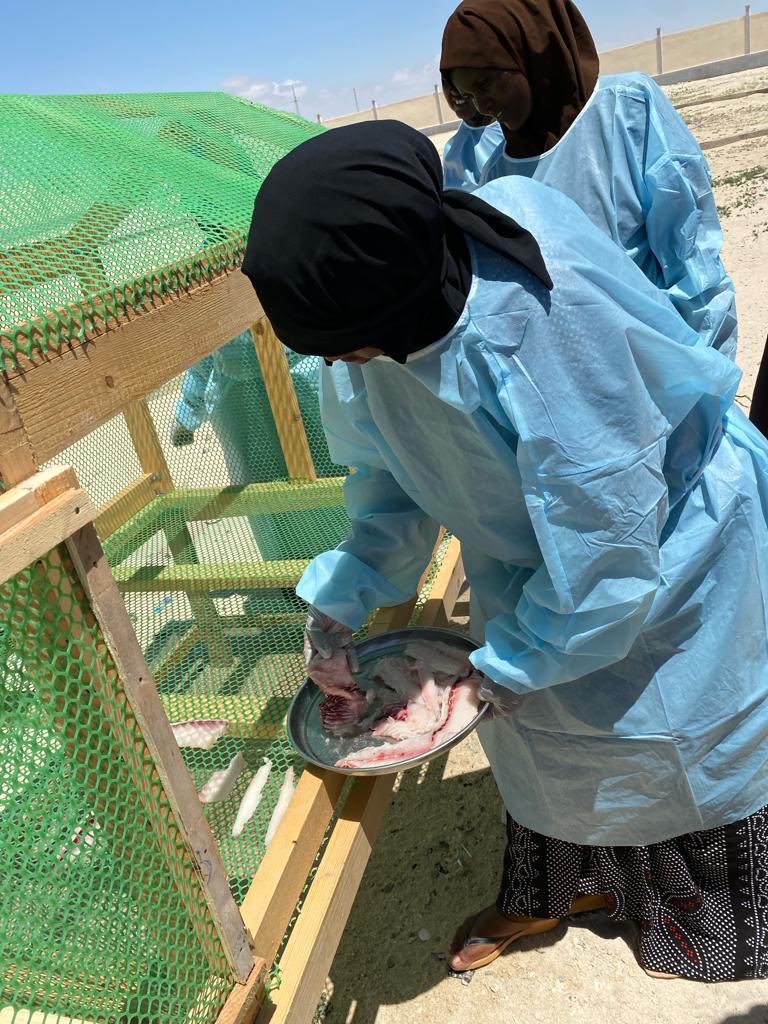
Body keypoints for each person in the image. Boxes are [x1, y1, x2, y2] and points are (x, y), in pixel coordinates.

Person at [242, 120, 768, 983]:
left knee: (674, 748)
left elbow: (609, 548)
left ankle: (694, 917)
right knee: (552, 752)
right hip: (547, 573)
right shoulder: (387, 306)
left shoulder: (535, 334)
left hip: (671, 556)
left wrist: (514, 663)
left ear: (392, 297)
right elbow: (388, 475)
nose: (338, 360)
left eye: (342, 342)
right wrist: (344, 594)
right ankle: (553, 894)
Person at [439, 0, 738, 361]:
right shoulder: (497, 175)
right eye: (470, 95)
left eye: (486, 84)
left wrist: (707, 369)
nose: (483, 106)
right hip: (592, 377)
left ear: (531, 52)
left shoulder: (626, 112)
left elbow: (691, 257)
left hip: (667, 355)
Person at [173, 330, 341, 566]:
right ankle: (335, 559)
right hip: (293, 385)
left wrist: (187, 414)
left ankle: (289, 569)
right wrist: (187, 413)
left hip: (249, 399)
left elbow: (202, 357)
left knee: (266, 494)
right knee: (319, 480)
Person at [441, 73, 506, 191]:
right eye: (445, 82)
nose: (454, 91)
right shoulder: (451, 151)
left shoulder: (512, 135)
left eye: (459, 80)